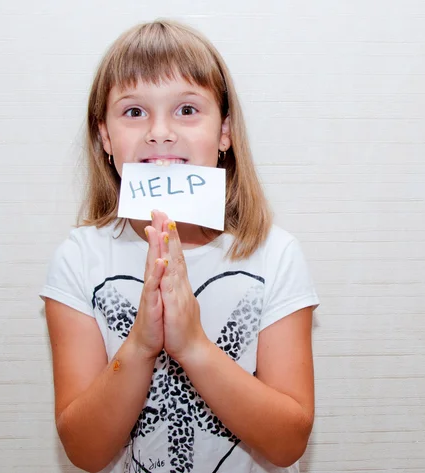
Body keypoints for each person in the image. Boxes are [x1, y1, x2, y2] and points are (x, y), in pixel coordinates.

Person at [39, 18, 320, 473]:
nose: (160, 131)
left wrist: (193, 346)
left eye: (187, 109)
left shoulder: (275, 255)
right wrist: (140, 345)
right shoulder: (80, 259)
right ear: (105, 137)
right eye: (134, 112)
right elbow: (84, 452)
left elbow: (288, 443)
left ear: (224, 132)